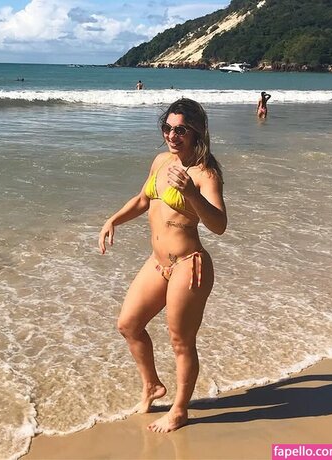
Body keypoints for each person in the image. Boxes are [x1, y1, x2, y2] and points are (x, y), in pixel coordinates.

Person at [99, 98, 227, 433]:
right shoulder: (161, 161)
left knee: (180, 341)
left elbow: (219, 225)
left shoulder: (205, 173)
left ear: (196, 132)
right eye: (167, 128)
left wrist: (192, 194)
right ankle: (153, 385)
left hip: (189, 265)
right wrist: (113, 220)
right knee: (128, 324)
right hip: (158, 263)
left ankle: (179, 411)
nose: (172, 135)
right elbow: (144, 199)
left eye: (180, 130)